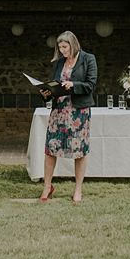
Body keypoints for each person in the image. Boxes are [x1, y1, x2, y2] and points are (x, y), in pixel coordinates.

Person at [40, 31, 97, 204]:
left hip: (78, 112)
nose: (62, 50)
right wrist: (46, 93)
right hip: (58, 111)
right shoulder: (59, 63)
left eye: (65, 47)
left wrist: (73, 85)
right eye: (60, 47)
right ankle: (47, 187)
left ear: (73, 44)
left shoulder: (88, 59)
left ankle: (78, 189)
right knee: (51, 149)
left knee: (79, 151)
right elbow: (55, 85)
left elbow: (91, 84)